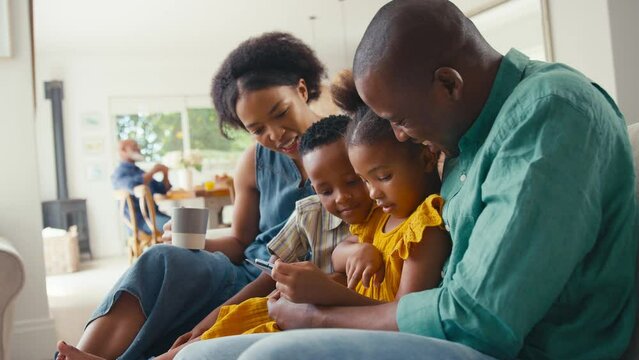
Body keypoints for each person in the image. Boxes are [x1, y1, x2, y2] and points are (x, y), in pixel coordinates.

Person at [175, 1, 637, 359]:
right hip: (463, 332)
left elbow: (476, 318)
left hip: (526, 348)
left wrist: (320, 316)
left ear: (448, 83)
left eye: (399, 119)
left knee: (274, 354)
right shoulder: (463, 138)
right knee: (205, 353)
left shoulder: (550, 114)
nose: (399, 135)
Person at [56, 32, 327, 360]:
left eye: (281, 112)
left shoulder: (347, 150)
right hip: (247, 270)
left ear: (301, 90)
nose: (275, 134)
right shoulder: (253, 162)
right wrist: (195, 243)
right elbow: (241, 242)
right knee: (161, 258)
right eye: (257, 129)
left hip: (293, 278)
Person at [150, 114, 376, 359]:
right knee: (225, 327)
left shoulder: (386, 212)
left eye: (353, 181)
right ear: (313, 188)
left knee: (236, 337)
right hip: (290, 310)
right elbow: (267, 277)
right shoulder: (310, 212)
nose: (341, 197)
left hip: (328, 323)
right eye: (326, 190)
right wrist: (207, 323)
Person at [112, 139, 172, 234]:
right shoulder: (119, 173)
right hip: (141, 222)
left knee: (184, 223)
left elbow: (163, 190)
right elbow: (133, 186)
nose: (138, 148)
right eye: (134, 146)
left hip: (155, 216)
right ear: (123, 151)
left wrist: (165, 173)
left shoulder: (139, 171)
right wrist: (153, 171)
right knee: (179, 227)